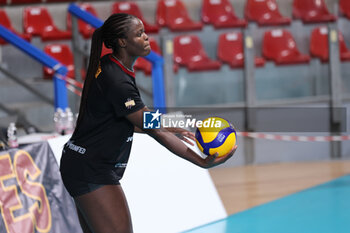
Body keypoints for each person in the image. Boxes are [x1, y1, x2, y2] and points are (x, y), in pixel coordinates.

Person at [60, 13, 237, 233]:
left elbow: (138, 123)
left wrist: (183, 135)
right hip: (90, 168)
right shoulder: (117, 81)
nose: (146, 38)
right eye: (139, 33)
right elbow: (149, 124)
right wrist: (190, 137)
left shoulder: (112, 66)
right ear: (122, 42)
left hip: (81, 162)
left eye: (145, 32)